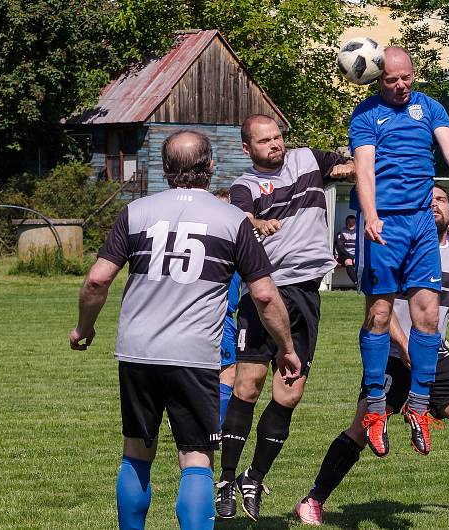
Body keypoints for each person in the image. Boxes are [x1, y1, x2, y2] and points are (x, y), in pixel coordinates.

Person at [69, 130, 300, 530]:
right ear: (211, 166)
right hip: (194, 356)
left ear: (165, 168)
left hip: (138, 352)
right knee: (196, 458)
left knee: (136, 453)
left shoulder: (136, 211)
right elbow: (264, 297)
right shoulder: (231, 220)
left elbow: (96, 281)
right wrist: (287, 346)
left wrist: (83, 328)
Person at [294, 185, 449, 526]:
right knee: (362, 429)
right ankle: (312, 500)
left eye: (442, 200)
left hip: (435, 358)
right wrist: (408, 348)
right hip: (393, 357)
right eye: (429, 199)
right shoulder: (399, 251)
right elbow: (381, 310)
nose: (435, 203)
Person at [217, 114, 355, 522]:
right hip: (265, 291)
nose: (275, 144)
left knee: (289, 394)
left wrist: (371, 151)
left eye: (277, 137)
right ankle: (225, 480)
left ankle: (253, 477)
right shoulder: (244, 186)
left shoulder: (308, 160)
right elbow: (241, 219)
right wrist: (258, 222)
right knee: (248, 385)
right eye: (264, 141)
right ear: (247, 148)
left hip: (306, 294)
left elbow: (352, 165)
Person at [349, 46, 449, 459]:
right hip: (384, 223)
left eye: (407, 78)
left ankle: (419, 406)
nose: (401, 86)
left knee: (428, 314)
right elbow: (364, 170)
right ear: (377, 78)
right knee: (380, 314)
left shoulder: (430, 107)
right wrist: (369, 215)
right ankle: (374, 408)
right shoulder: (366, 116)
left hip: (422, 223)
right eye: (392, 80)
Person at [212, 188, 242, 426]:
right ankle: (216, 424)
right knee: (227, 371)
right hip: (220, 315)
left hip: (197, 314)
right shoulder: (233, 240)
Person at [334, 215, 358, 286]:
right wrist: (353, 257)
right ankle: (356, 283)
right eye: (349, 222)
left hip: (356, 256)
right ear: (346, 223)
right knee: (348, 261)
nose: (351, 224)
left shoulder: (359, 233)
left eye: (353, 222)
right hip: (344, 256)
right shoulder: (341, 233)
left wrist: (356, 257)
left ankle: (366, 283)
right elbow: (341, 249)